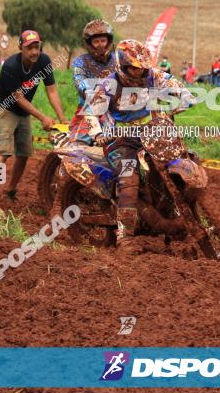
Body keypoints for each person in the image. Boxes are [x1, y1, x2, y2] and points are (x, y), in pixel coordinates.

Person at [83, 40, 196, 254]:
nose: (138, 72)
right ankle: (124, 236)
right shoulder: (109, 84)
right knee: (129, 177)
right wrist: (97, 133)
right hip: (118, 138)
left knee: (182, 161)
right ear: (122, 66)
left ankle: (178, 222)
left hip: (150, 133)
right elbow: (90, 112)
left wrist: (181, 102)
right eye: (134, 68)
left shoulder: (154, 75)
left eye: (142, 67)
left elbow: (181, 90)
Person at [0, 30, 66, 201]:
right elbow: (18, 98)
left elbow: (51, 89)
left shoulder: (44, 61)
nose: (34, 52)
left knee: (24, 152)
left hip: (23, 111)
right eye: (29, 47)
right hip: (4, 107)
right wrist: (43, 117)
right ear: (21, 48)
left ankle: (10, 191)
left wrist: (61, 118)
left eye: (36, 47)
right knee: (3, 150)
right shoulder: (10, 66)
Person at [70, 20, 116, 144]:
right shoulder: (80, 61)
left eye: (102, 40)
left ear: (109, 41)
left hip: (114, 110)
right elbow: (78, 79)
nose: (100, 45)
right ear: (89, 43)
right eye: (96, 41)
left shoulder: (118, 60)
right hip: (87, 109)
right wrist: (88, 91)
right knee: (77, 146)